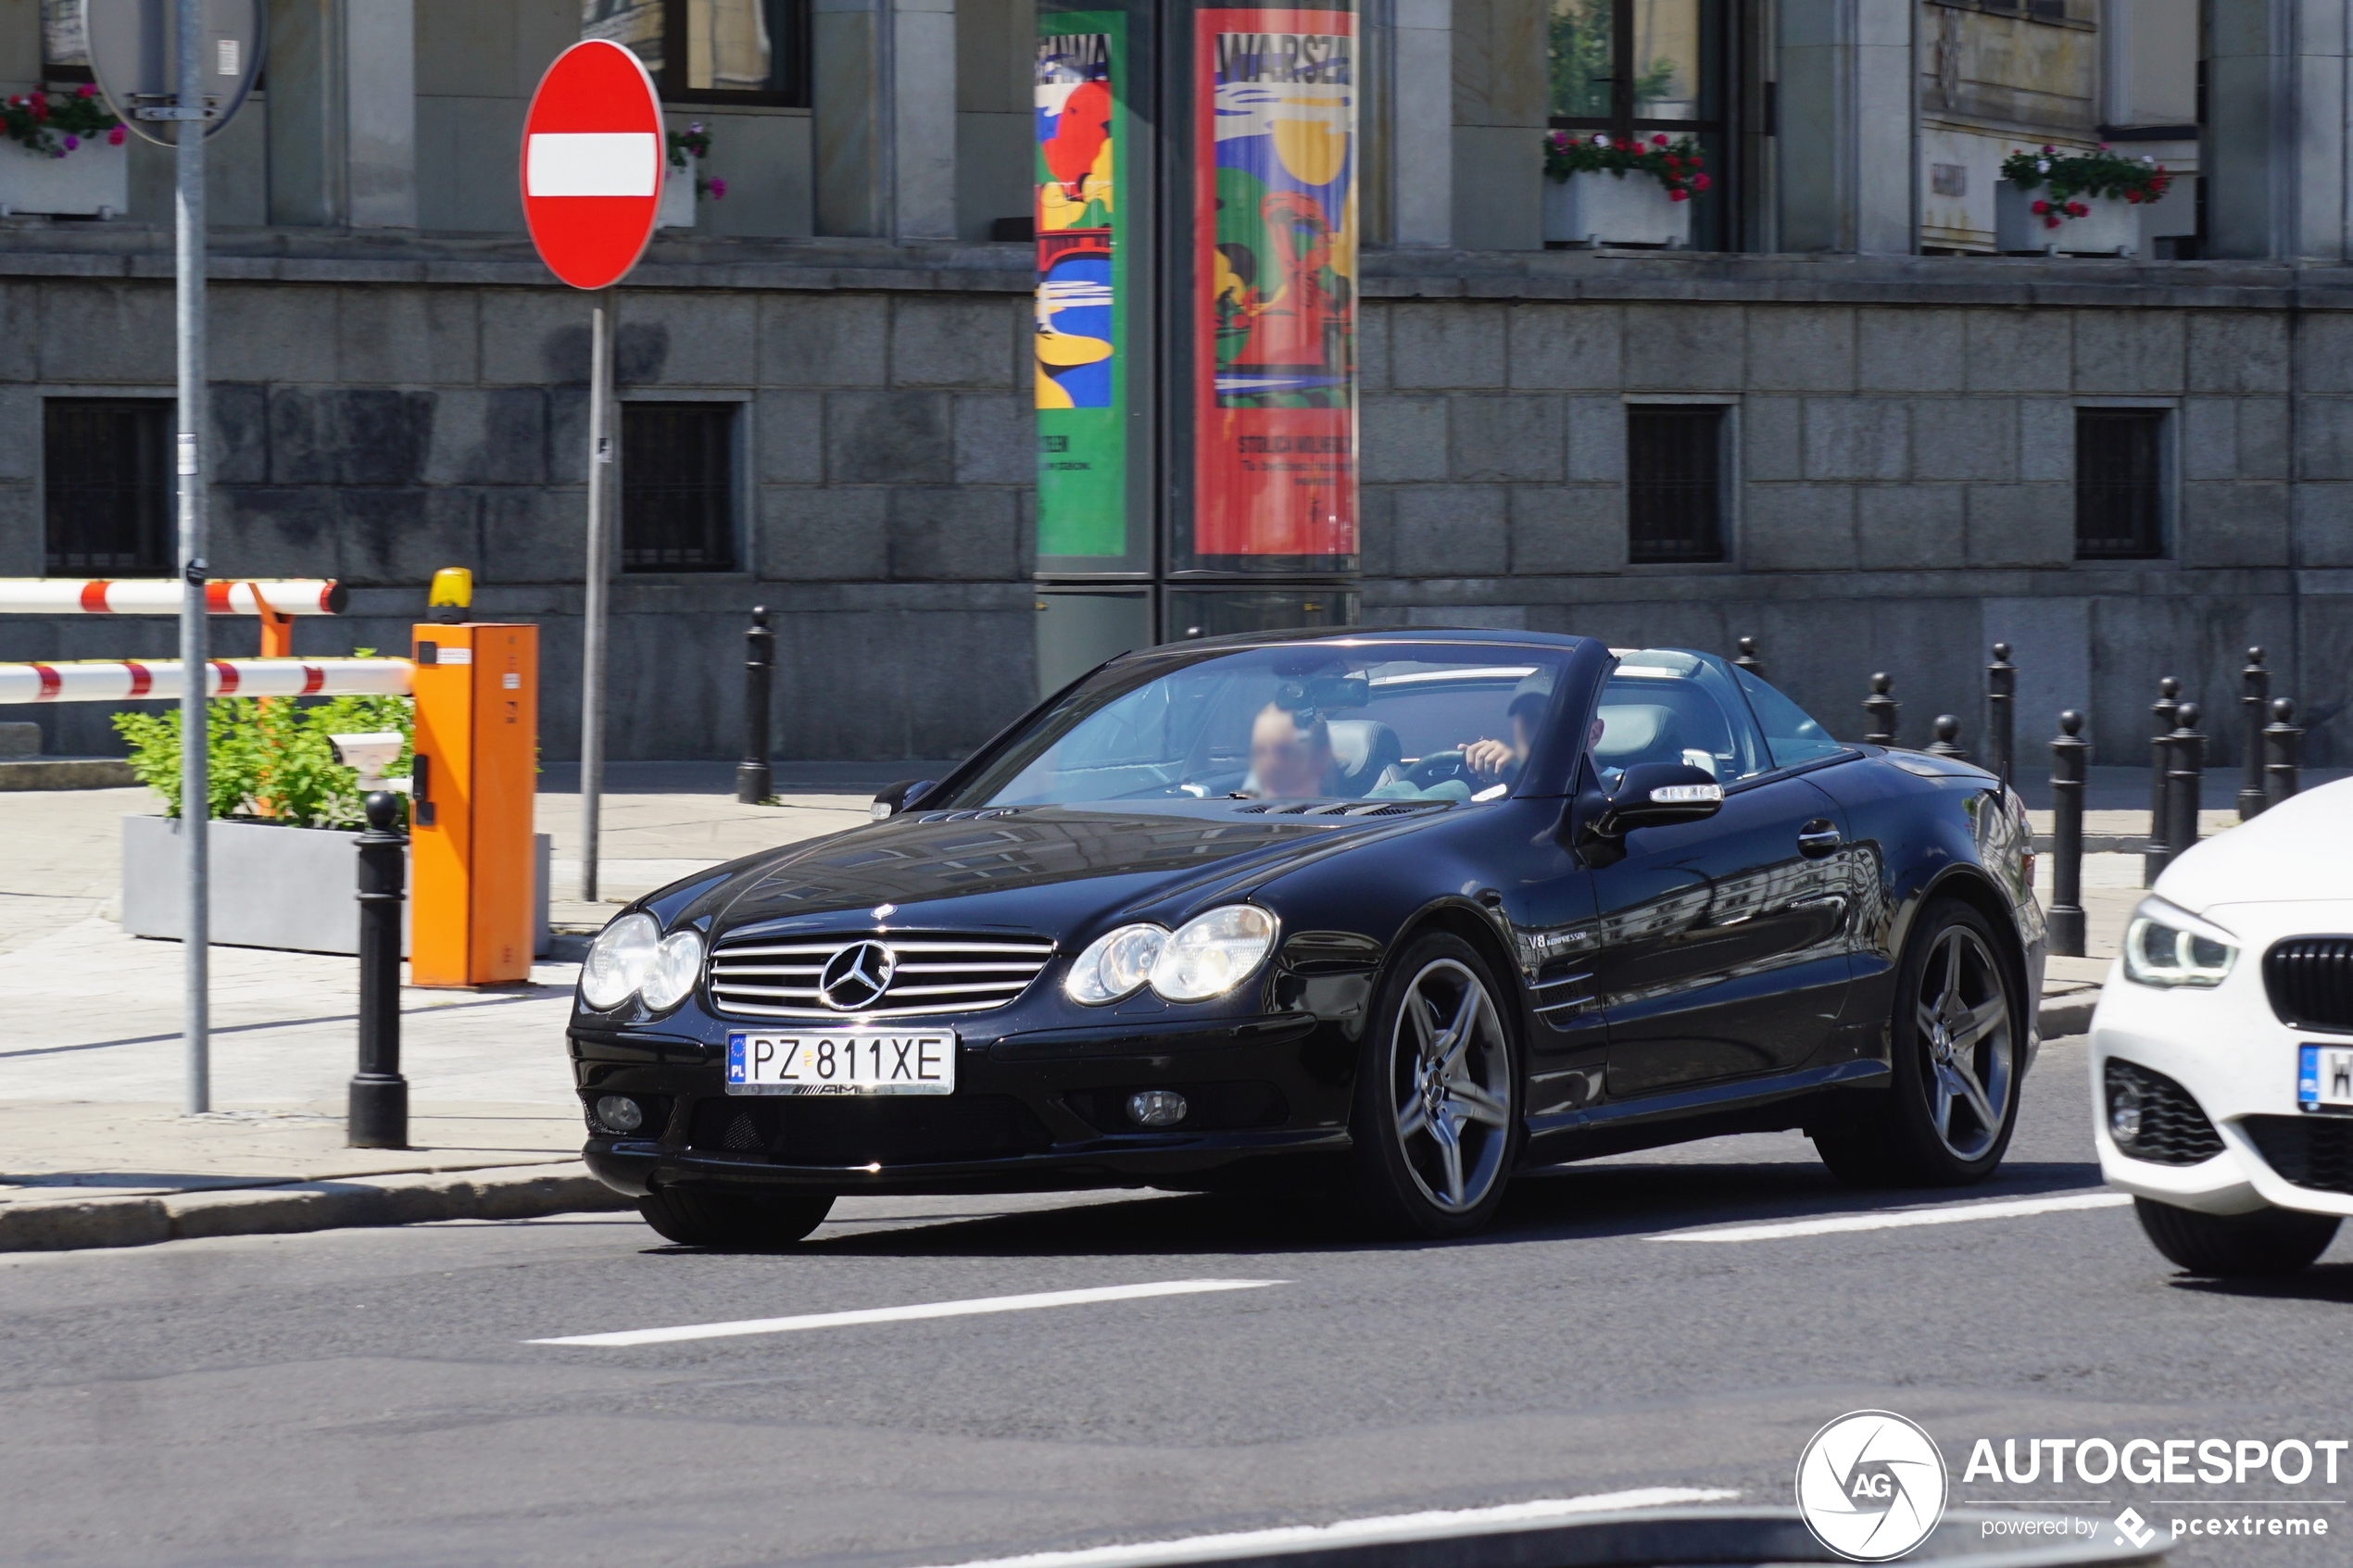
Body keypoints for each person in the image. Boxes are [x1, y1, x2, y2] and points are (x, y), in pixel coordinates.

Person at [1247, 702, 1334, 799]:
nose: (1269, 764)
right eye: (1261, 752)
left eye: (1284, 752)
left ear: (1321, 756)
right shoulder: (1240, 808)